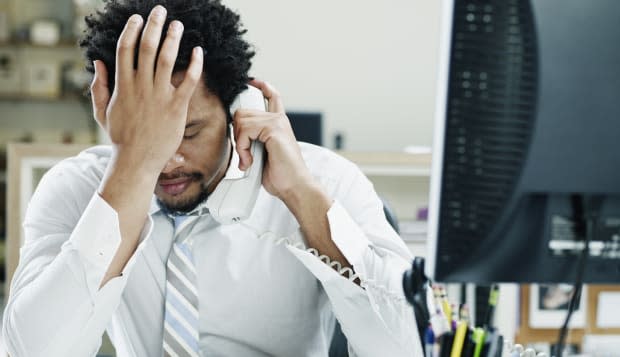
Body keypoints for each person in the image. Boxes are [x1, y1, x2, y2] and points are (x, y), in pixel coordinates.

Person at [2, 1, 422, 356]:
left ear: (238, 107)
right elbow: (31, 350)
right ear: (106, 112)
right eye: (148, 135)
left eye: (188, 132)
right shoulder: (76, 189)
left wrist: (303, 197)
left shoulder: (328, 179)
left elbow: (405, 346)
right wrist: (130, 169)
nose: (168, 160)